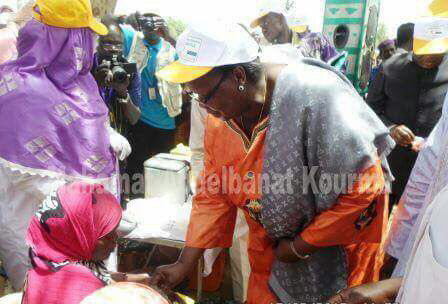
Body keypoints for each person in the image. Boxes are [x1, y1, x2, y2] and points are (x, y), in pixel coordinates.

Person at [149, 22, 394, 304]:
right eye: (194, 97)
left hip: (336, 251)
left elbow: (365, 188)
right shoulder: (223, 117)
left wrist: (301, 245)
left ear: (239, 75)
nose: (202, 107)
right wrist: (185, 262)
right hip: (271, 249)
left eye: (203, 96)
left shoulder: (315, 96)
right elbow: (214, 192)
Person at [0, 0, 130, 290]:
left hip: (92, 232)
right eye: (86, 35)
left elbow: (82, 125)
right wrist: (81, 199)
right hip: (39, 228)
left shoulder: (82, 83)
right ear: (67, 40)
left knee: (94, 292)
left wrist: (106, 135)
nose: (93, 44)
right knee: (47, 292)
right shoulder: (19, 86)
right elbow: (22, 171)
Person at [21, 182, 150, 304]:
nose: (115, 239)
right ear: (78, 236)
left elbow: (99, 275)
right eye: (107, 235)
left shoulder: (45, 262)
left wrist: (134, 279)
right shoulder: (86, 289)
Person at [366, 16, 448, 208]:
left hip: (432, 171)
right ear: (414, 44)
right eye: (423, 53)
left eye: (435, 54)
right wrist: (391, 127)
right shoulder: (390, 68)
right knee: (382, 218)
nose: (428, 58)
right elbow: (369, 111)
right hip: (392, 166)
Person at [123, 12, 183, 197]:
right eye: (147, 22)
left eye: (156, 23)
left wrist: (169, 32)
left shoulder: (171, 50)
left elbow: (188, 65)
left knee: (160, 170)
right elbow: (119, 27)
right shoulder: (134, 43)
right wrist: (133, 19)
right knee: (136, 167)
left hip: (165, 120)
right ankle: (135, 202)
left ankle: (158, 203)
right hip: (140, 118)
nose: (152, 27)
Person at [93, 15, 142, 137]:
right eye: (107, 43)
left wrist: (123, 93)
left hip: (117, 144)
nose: (114, 49)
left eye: (119, 45)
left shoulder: (130, 71)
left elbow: (134, 118)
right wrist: (95, 85)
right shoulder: (87, 66)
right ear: (97, 43)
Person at [250, 3, 343, 66]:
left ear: (280, 20)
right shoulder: (268, 54)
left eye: (266, 23)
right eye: (261, 27)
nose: (263, 30)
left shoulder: (315, 42)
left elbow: (338, 69)